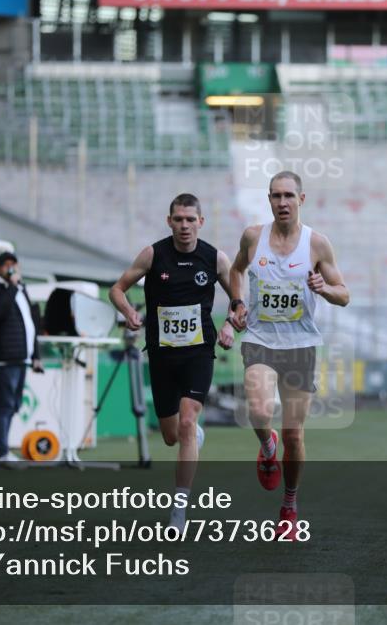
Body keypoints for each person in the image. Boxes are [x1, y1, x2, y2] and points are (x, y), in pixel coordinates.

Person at [229, 171, 349, 539]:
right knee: (260, 411)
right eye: (276, 196)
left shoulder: (317, 244)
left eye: (288, 196)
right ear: (269, 200)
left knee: (294, 435)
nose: (282, 202)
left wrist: (323, 288)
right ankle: (267, 445)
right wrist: (236, 302)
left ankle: (289, 507)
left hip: (300, 346)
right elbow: (236, 271)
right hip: (261, 339)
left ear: (301, 199)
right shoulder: (253, 237)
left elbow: (344, 294)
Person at [109, 193, 236, 529]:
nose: (184, 226)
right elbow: (117, 289)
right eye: (178, 219)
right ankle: (191, 436)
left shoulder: (215, 258)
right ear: (170, 221)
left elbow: (239, 301)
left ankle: (178, 510)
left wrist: (228, 327)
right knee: (169, 435)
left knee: (186, 422)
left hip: (198, 353)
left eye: (190, 219)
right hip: (163, 355)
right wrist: (129, 312)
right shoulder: (154, 254)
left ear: (201, 222)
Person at [0, 251, 44, 468]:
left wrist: (36, 355)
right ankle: (0, 453)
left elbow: (31, 323)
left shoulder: (20, 288)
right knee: (5, 405)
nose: (12, 270)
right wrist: (11, 287)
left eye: (14, 265)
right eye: (7, 266)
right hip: (4, 359)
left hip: (21, 357)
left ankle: (3, 450)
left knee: (13, 405)